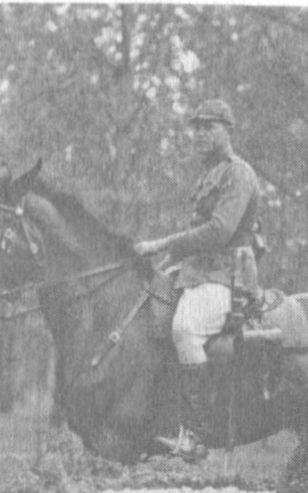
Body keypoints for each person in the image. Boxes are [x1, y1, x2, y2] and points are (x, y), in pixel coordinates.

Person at [134, 99, 263, 457]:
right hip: (196, 273)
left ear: (228, 130)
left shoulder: (239, 174)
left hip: (227, 276)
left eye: (210, 126)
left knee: (184, 329)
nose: (202, 134)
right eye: (198, 128)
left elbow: (220, 231)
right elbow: (195, 235)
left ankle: (196, 435)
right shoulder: (209, 176)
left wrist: (163, 242)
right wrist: (159, 260)